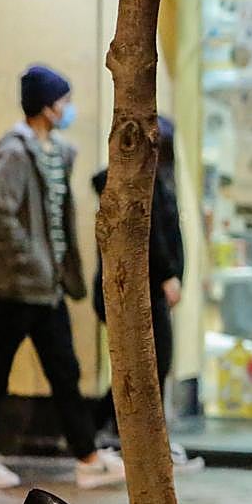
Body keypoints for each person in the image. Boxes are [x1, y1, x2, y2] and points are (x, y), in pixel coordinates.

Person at [0, 65, 125, 490]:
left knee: (64, 370)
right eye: (63, 101)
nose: (68, 109)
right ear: (45, 106)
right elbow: (0, 217)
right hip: (16, 287)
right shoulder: (15, 152)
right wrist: (35, 262)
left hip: (48, 287)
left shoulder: (56, 152)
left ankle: (87, 457)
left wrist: (57, 271)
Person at [90, 116, 203, 473]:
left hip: (151, 289)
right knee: (147, 367)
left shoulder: (156, 181)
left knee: (149, 366)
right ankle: (141, 444)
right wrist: (169, 275)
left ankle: (128, 438)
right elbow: (149, 236)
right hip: (143, 289)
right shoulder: (139, 185)